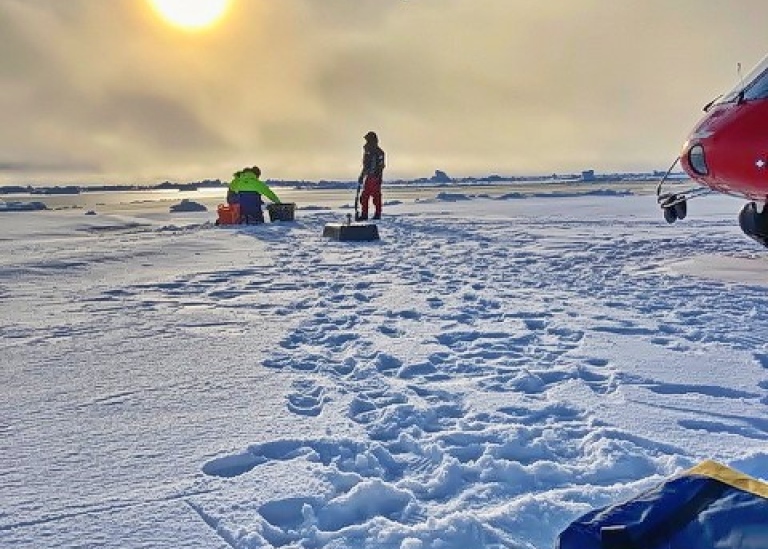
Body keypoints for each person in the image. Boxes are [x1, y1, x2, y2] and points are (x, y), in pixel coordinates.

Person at [357, 131, 386, 221]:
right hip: (369, 177)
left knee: (375, 196)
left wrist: (377, 176)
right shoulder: (368, 151)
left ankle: (376, 214)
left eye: (367, 140)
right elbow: (366, 166)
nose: (366, 142)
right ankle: (365, 214)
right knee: (365, 196)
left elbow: (380, 166)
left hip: (374, 177)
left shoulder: (378, 152)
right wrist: (362, 176)